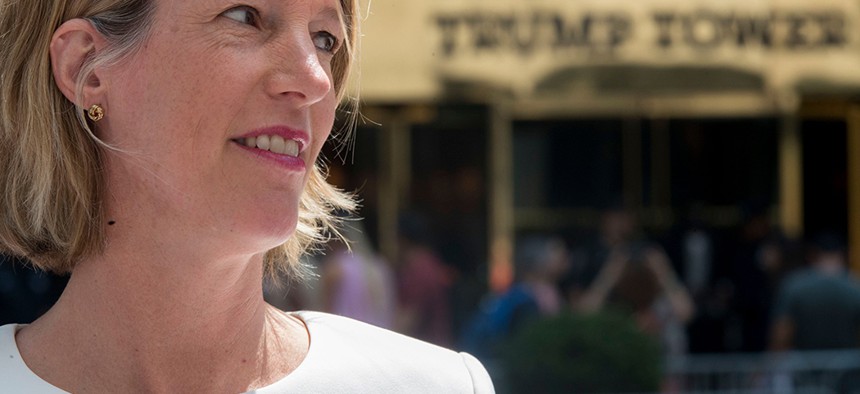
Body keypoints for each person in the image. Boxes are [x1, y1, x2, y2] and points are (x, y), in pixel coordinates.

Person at [0, 1, 494, 392]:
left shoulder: (437, 386)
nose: (316, 78)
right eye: (246, 16)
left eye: (325, 39)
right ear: (86, 66)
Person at [770, 233, 860, 351]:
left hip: (804, 365)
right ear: (844, 255)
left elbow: (782, 332)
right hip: (848, 365)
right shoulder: (855, 286)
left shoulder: (794, 286)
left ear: (812, 254)